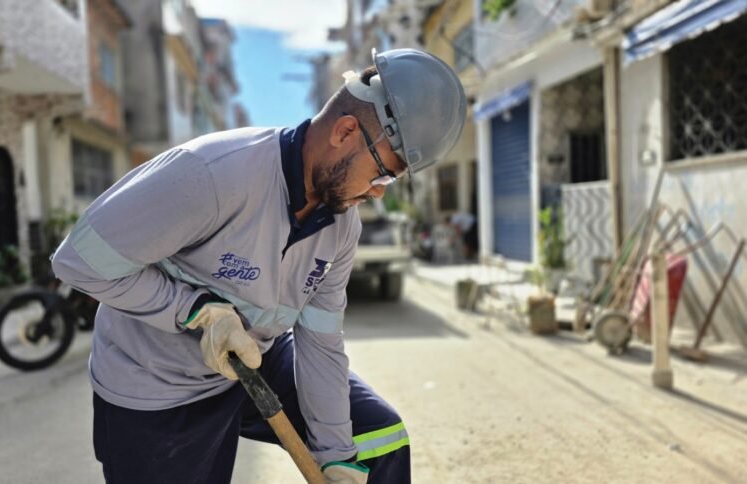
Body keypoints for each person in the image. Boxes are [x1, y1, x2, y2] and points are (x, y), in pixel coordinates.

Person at [51, 48, 466, 484]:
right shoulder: (212, 174)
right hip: (158, 383)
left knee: (377, 439)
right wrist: (196, 310)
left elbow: (320, 343)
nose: (380, 192)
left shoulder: (341, 226)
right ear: (345, 132)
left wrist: (336, 454)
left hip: (257, 352)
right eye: (383, 173)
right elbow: (78, 262)